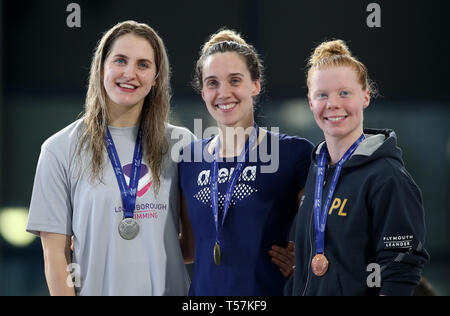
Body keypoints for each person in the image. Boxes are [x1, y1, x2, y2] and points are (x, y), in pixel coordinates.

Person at [26, 21, 194, 296]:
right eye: (120, 60)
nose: (130, 73)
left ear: (156, 78)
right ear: (101, 67)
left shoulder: (182, 144)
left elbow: (195, 244)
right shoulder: (59, 149)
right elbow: (55, 258)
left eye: (143, 64)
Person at [286, 39, 430, 296]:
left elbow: (401, 268)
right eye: (322, 95)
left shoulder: (387, 176)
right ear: (310, 102)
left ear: (365, 97)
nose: (333, 104)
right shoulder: (315, 171)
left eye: (344, 93)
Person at [178, 29, 314, 296]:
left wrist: (308, 262)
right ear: (203, 92)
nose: (223, 92)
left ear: (255, 85)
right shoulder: (188, 158)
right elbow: (191, 248)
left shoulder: (292, 154)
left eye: (235, 80)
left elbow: (331, 230)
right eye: (212, 83)